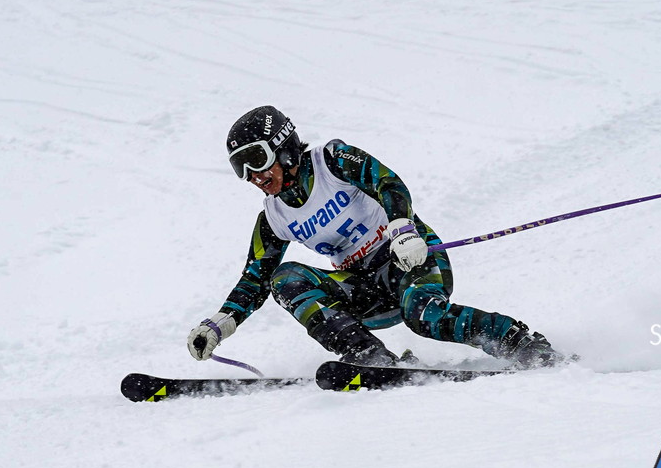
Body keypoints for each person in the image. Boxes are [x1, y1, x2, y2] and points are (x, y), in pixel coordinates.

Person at [187, 106, 565, 368]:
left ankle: (520, 343)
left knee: (424, 316)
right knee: (284, 278)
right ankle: (370, 358)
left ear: (284, 148)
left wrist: (401, 227)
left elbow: (387, 182)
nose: (253, 174)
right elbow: (254, 278)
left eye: (257, 159)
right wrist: (220, 324)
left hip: (409, 258)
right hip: (364, 288)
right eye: (241, 167)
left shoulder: (331, 160)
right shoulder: (273, 218)